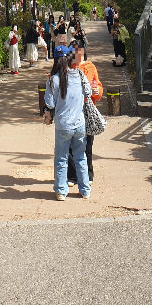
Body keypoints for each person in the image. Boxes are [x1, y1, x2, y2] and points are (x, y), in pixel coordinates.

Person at [44, 44, 92, 201]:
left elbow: (49, 103)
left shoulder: (53, 80)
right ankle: (85, 190)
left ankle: (61, 191)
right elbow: (89, 92)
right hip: (79, 123)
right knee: (81, 156)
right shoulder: (78, 75)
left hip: (63, 125)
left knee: (61, 159)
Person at [67, 43, 103, 187]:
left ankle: (88, 174)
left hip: (88, 110)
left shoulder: (90, 67)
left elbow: (98, 85)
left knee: (87, 144)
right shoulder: (67, 69)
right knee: (70, 144)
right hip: (72, 111)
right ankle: (72, 176)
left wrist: (97, 91)